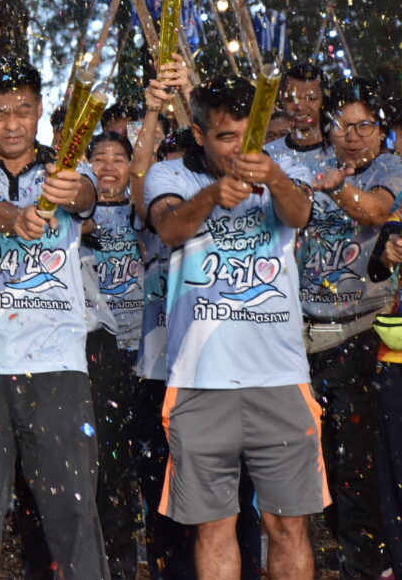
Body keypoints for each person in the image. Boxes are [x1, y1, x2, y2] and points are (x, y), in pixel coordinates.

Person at [145, 74, 327, 578]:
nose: (241, 149)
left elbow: (299, 213)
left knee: (288, 527)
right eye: (227, 137)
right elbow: (169, 227)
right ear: (199, 133)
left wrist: (273, 178)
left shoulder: (285, 167)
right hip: (199, 382)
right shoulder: (169, 174)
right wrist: (212, 197)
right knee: (213, 528)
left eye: (251, 136)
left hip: (281, 378)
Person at [0, 56, 108, 579]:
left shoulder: (69, 168)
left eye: (22, 111)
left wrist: (68, 190)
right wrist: (12, 217)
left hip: (58, 365)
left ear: (39, 110)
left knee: (74, 515)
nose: (11, 124)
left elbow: (86, 193)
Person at [131, 63, 262, 580]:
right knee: (169, 498)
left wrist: (190, 89)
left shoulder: (246, 178)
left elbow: (222, 124)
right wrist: (150, 113)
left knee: (236, 501)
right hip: (164, 367)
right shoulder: (162, 185)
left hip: (233, 368)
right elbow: (142, 182)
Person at [297, 77, 402, 578]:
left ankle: (366, 565)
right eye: (343, 126)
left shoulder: (390, 168)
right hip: (300, 337)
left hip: (361, 334)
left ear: (381, 132)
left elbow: (376, 211)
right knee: (322, 464)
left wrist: (336, 187)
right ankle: (348, 555)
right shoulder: (307, 166)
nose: (353, 136)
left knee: (357, 465)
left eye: (364, 126)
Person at [84, 130, 143, 578]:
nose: (108, 167)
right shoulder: (75, 212)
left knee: (147, 455)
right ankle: (114, 554)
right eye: (99, 158)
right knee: (108, 459)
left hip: (147, 351)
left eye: (118, 158)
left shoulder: (146, 211)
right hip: (96, 354)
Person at [368, 213, 402, 577]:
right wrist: (388, 254)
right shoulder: (399, 212)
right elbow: (376, 269)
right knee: (394, 476)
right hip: (395, 360)